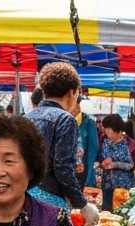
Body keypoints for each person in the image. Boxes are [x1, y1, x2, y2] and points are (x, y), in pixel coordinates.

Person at [23, 63, 87, 212]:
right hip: (51, 202)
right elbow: (63, 169)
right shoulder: (65, 119)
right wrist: (82, 204)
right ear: (72, 92)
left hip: (23, 198)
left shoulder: (26, 118)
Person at [98, 113, 135, 212]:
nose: (107, 133)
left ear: (117, 130)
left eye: (109, 131)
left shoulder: (128, 143)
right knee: (106, 212)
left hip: (123, 186)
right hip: (107, 185)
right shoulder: (104, 141)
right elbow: (99, 160)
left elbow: (131, 165)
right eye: (106, 130)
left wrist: (114, 164)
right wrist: (102, 163)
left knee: (122, 212)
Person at [76, 109, 99, 192]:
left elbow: (92, 152)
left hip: (82, 173)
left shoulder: (88, 123)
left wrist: (89, 176)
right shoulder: (64, 120)